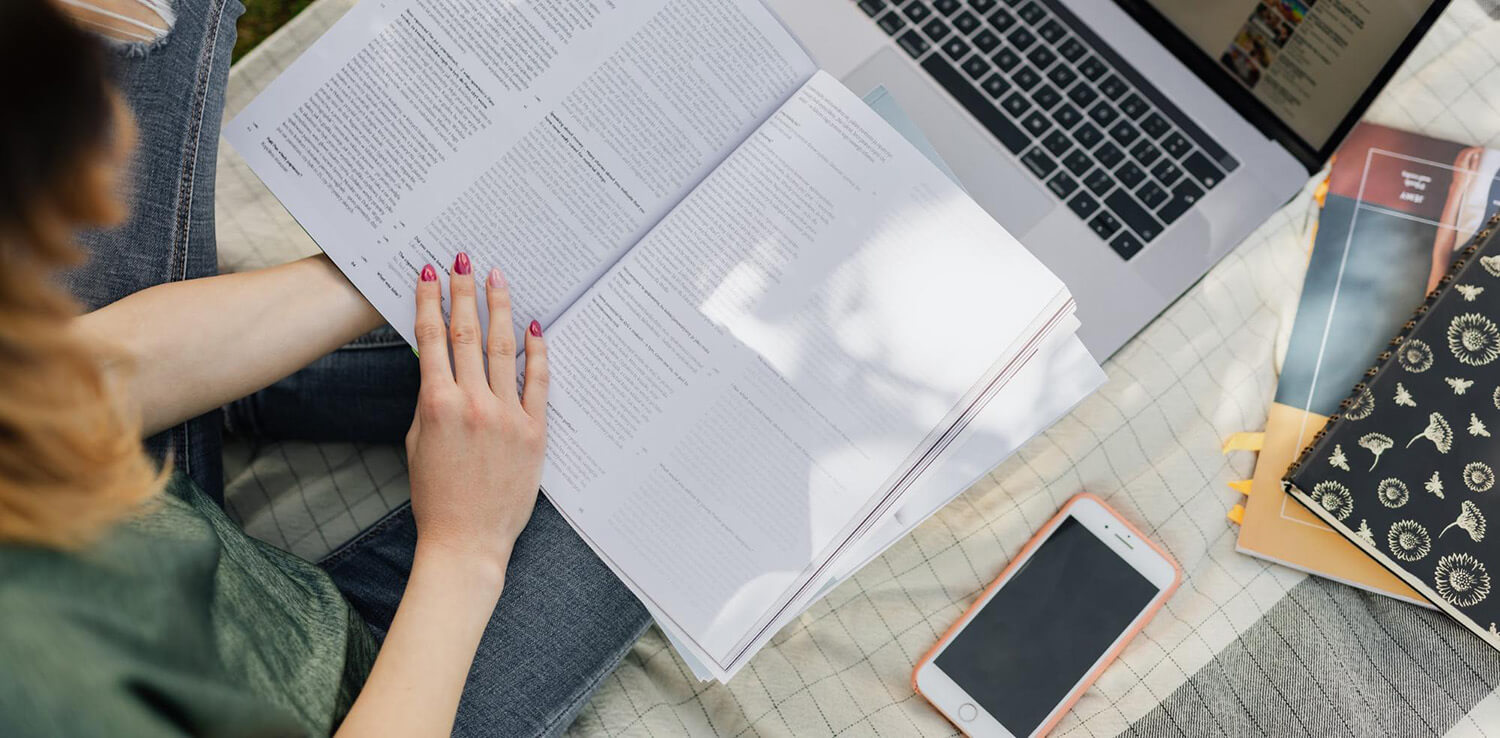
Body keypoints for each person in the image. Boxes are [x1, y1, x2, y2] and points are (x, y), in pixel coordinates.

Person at [0, 0, 650, 735]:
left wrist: (387, 264)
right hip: (377, 702)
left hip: (167, 540)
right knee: (650, 424)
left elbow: (55, 388)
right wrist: (465, 549)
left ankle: (243, 396)